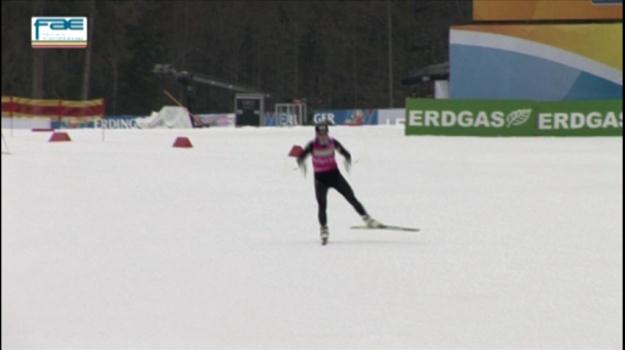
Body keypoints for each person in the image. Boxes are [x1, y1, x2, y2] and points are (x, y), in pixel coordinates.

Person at [297, 122, 381, 244]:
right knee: (322, 205)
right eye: (321, 133)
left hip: (335, 176)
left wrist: (347, 158)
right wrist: (300, 161)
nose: (323, 136)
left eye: (325, 133)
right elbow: (301, 157)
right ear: (317, 134)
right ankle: (324, 229)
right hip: (320, 180)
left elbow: (345, 153)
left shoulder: (333, 142)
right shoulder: (312, 145)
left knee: (351, 197)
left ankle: (367, 219)